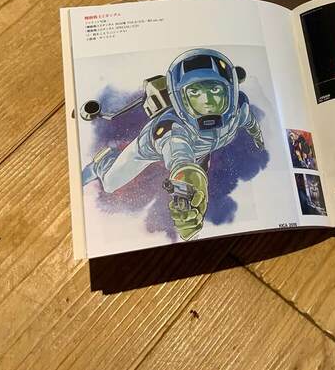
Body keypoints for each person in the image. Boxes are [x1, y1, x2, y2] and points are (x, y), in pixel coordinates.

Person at [81, 49, 264, 241]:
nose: (207, 100)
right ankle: (102, 163)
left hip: (199, 150)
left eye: (215, 90)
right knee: (110, 183)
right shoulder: (172, 129)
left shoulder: (239, 108)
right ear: (180, 97)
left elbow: (250, 122)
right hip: (151, 149)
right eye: (195, 92)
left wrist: (257, 137)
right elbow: (180, 158)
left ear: (230, 90)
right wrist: (186, 193)